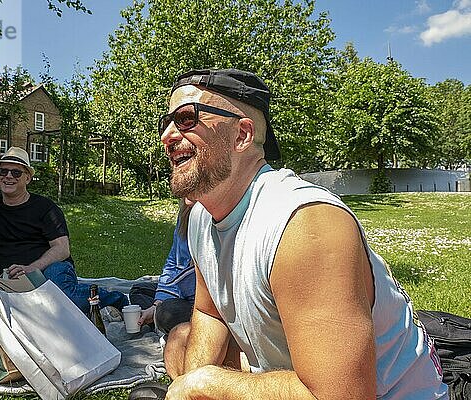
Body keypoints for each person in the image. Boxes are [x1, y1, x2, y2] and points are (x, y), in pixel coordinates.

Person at [159, 69, 448, 399]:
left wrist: (206, 383)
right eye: (165, 122)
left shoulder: (305, 223)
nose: (167, 135)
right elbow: (209, 313)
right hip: (299, 377)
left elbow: (341, 397)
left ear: (241, 136)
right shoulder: (200, 218)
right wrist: (188, 387)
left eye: (185, 119)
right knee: (180, 341)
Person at [0, 146, 129, 315]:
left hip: (51, 267)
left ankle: (117, 299)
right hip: (15, 277)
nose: (8, 176)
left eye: (16, 173)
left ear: (27, 178)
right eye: (3, 171)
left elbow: (62, 249)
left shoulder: (45, 208)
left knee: (63, 299)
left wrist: (31, 268)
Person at [129, 198, 195, 335]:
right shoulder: (185, 215)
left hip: (200, 301)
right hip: (179, 291)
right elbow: (172, 261)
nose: (187, 200)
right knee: (138, 290)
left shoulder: (215, 217)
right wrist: (158, 302)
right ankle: (156, 319)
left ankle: (161, 323)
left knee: (167, 313)